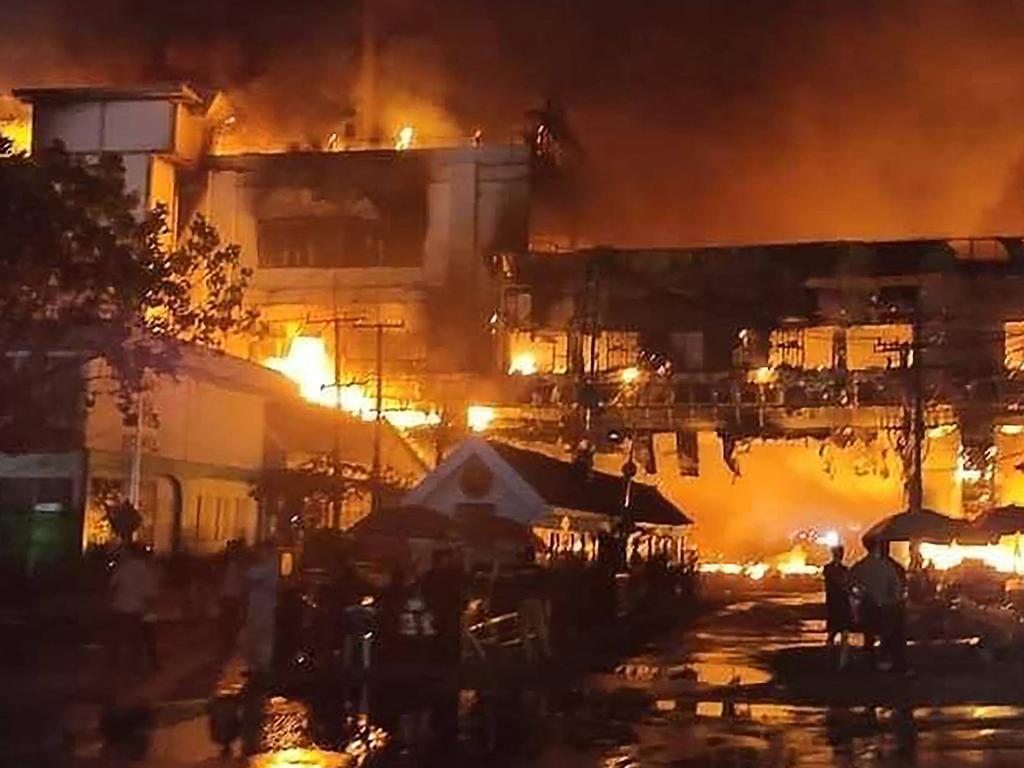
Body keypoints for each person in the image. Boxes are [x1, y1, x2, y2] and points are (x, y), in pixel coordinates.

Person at [851, 538, 907, 672]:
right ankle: (884, 663)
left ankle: (869, 665)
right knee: (885, 636)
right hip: (884, 608)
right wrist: (893, 601)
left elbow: (847, 584)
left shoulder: (860, 566)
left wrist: (858, 595)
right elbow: (898, 587)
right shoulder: (886, 566)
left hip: (867, 607)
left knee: (868, 637)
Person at [109, 542, 160, 674]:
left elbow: (113, 584)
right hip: (138, 608)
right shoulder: (146, 569)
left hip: (121, 606)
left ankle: (114, 664)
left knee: (118, 638)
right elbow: (152, 592)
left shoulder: (123, 567)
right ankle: (138, 665)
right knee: (137, 639)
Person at [244, 540, 279, 676]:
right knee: (254, 636)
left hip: (265, 606)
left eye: (262, 550)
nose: (260, 553)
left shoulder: (271, 565)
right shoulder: (268, 564)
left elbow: (250, 574)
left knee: (262, 637)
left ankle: (261, 667)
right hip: (258, 605)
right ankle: (256, 667)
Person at [822, 545, 851, 670]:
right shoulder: (843, 570)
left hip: (834, 605)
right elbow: (845, 585)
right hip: (840, 605)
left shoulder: (828, 569)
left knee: (833, 634)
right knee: (842, 634)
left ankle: (831, 660)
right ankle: (841, 662)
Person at [218, 541, 246, 657]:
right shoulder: (225, 564)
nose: (230, 552)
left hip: (234, 597)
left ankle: (229, 644)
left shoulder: (240, 565)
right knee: (226, 621)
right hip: (227, 596)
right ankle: (226, 644)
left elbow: (243, 581)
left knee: (232, 622)